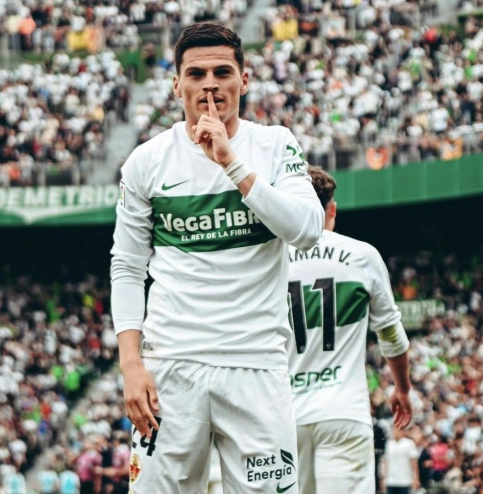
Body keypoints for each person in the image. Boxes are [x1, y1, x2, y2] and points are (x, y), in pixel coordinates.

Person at [110, 21, 324, 494]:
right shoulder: (147, 162)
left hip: (256, 366)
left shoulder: (274, 145)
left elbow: (308, 230)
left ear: (244, 80)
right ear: (177, 85)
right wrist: (131, 364)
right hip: (170, 367)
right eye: (196, 74)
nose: (210, 84)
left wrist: (233, 165)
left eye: (222, 72)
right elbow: (127, 265)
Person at [287, 166, 412, 493]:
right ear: (332, 210)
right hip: (343, 411)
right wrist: (403, 389)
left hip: (286, 416)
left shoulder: (268, 261)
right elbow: (392, 335)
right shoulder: (362, 255)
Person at [381, 426, 421, 494]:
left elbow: (414, 462)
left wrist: (416, 478)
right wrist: (384, 478)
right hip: (391, 480)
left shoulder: (409, 443)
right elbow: (386, 462)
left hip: (405, 480)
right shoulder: (389, 444)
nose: (396, 432)